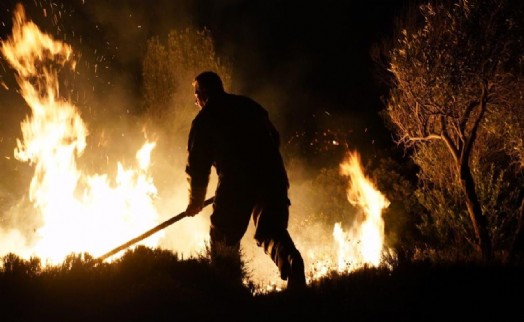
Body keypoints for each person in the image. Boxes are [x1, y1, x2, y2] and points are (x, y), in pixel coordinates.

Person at [184, 71, 306, 291]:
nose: (195, 100)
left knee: (223, 235)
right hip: (273, 175)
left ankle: (226, 290)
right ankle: (291, 261)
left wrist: (196, 200)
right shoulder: (250, 106)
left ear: (204, 93)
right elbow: (274, 138)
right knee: (271, 231)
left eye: (196, 94)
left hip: (236, 182)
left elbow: (198, 167)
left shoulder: (204, 120)